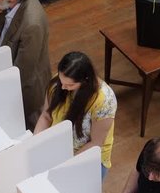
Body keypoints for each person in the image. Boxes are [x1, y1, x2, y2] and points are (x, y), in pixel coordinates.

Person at [34, 51, 117, 179]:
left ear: (85, 80)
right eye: (61, 81)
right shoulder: (59, 83)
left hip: (86, 157)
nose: (63, 87)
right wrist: (35, 141)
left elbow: (95, 143)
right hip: (59, 149)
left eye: (70, 85)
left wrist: (65, 164)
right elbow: (46, 115)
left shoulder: (104, 100)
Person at [0, 0, 51, 130]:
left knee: (28, 130)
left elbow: (23, 73)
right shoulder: (8, 3)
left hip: (26, 92)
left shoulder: (31, 25)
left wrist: (2, 95)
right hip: (6, 72)